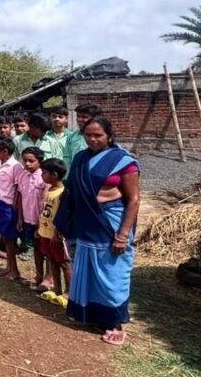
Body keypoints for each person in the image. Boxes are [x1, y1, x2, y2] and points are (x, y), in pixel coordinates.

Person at [58, 116, 140, 346]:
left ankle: (115, 322)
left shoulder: (123, 162)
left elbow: (133, 200)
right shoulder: (81, 159)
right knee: (89, 271)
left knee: (112, 273)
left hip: (111, 224)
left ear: (109, 136)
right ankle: (92, 315)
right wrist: (63, 222)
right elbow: (71, 192)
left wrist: (123, 234)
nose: (92, 139)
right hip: (86, 223)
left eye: (98, 135)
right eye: (88, 135)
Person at [37, 158, 70, 307]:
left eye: (44, 172)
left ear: (54, 175)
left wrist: (59, 231)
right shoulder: (49, 189)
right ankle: (57, 290)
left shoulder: (62, 192)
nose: (42, 175)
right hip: (45, 230)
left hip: (56, 234)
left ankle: (69, 293)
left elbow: (63, 214)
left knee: (63, 262)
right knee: (51, 259)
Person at [15, 146, 47, 290]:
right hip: (28, 218)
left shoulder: (44, 177)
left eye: (31, 161)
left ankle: (49, 278)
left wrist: (42, 223)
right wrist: (20, 218)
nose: (27, 164)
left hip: (43, 221)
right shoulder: (23, 175)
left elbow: (46, 202)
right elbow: (21, 197)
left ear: (39, 161)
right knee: (36, 248)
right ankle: (39, 275)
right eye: (25, 160)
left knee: (48, 251)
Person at [0, 136, 21, 281]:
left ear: (5, 151)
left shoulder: (15, 166)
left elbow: (17, 188)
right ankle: (9, 267)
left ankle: (14, 270)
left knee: (10, 238)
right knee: (4, 237)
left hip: (7, 205)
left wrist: (14, 208)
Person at [64, 104, 102, 170]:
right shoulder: (72, 136)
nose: (79, 119)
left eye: (84, 117)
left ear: (94, 118)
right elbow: (67, 159)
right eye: (78, 116)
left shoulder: (101, 137)